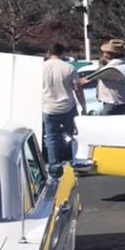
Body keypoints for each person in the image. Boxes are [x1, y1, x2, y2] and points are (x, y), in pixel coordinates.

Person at [42, 42, 86, 170]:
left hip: (48, 107)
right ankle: (76, 160)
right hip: (68, 106)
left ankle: (54, 165)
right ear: (62, 53)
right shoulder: (69, 68)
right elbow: (77, 89)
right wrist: (83, 106)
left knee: (51, 138)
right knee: (74, 136)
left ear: (49, 52)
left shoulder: (41, 68)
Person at [87, 39, 125, 115]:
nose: (104, 54)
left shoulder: (116, 63)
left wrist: (101, 65)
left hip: (114, 101)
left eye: (107, 52)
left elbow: (98, 74)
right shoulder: (122, 61)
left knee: (106, 123)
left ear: (113, 53)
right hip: (115, 100)